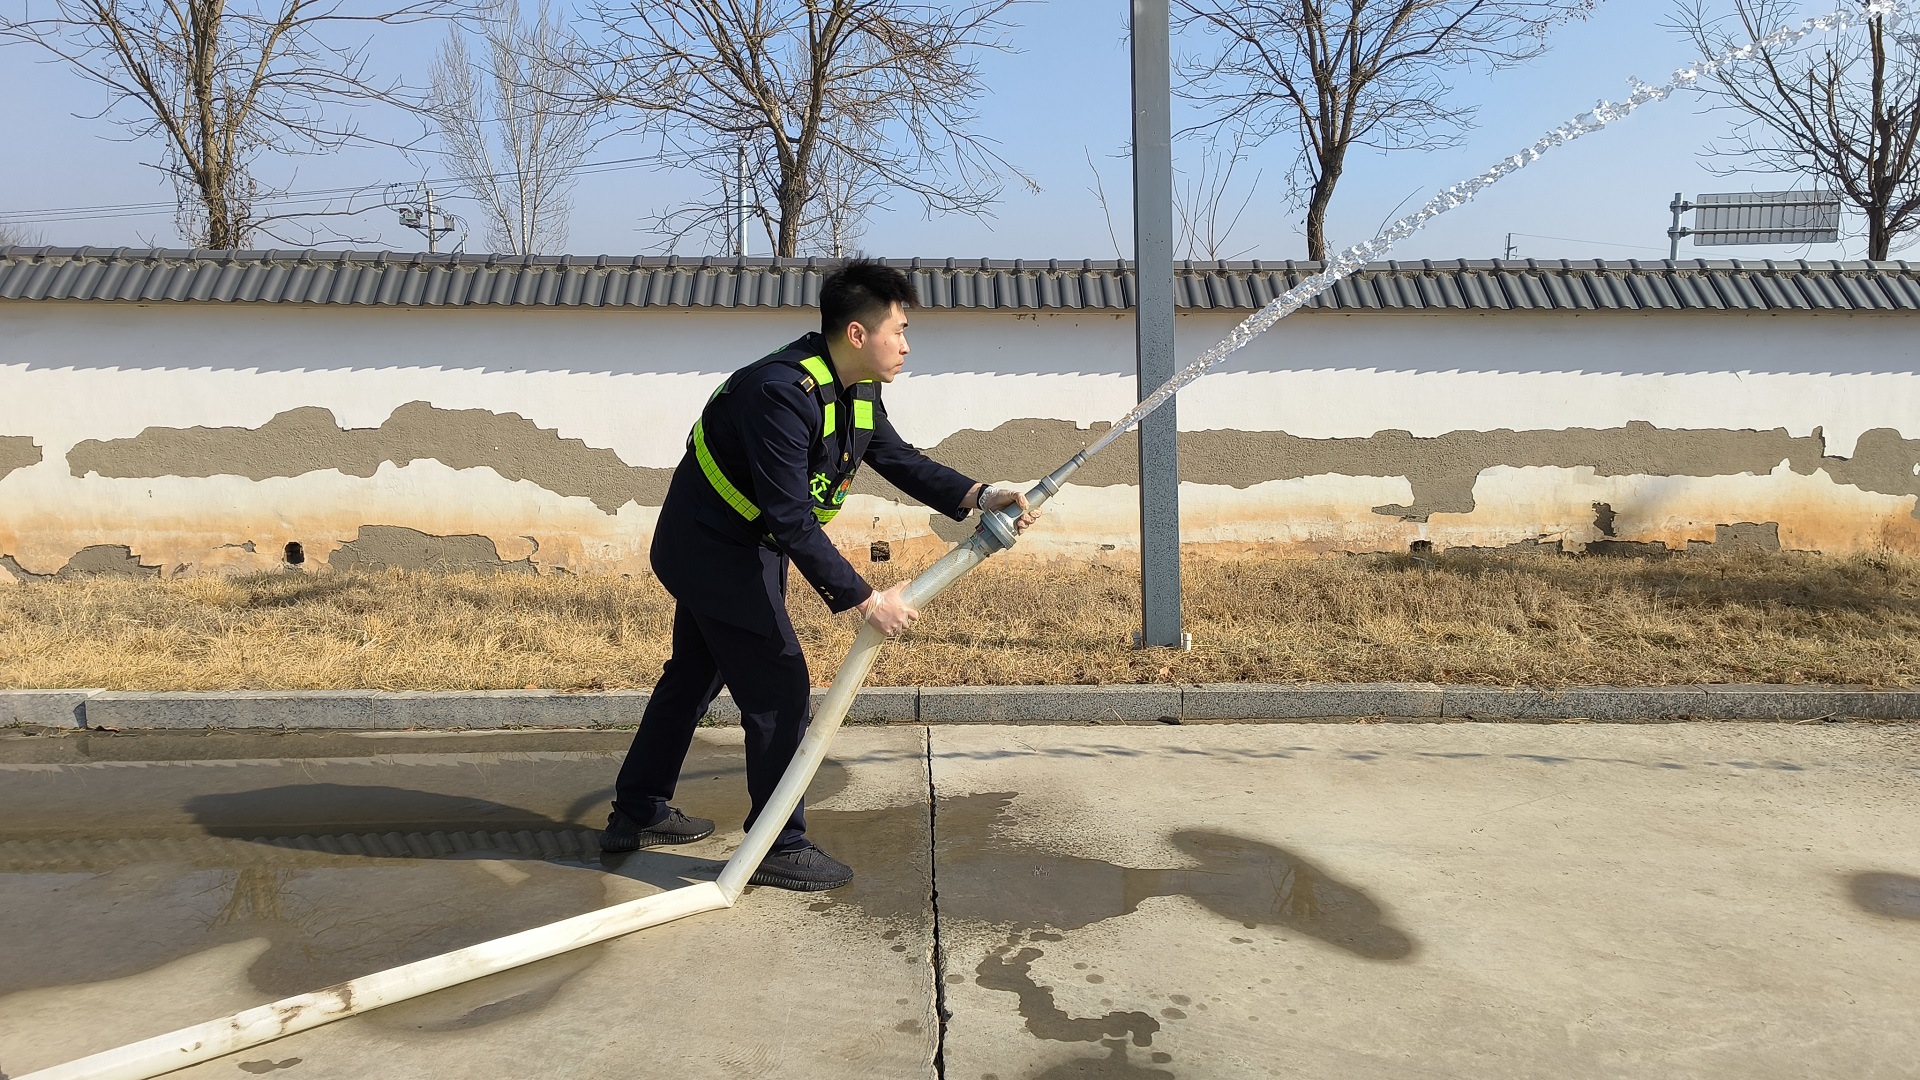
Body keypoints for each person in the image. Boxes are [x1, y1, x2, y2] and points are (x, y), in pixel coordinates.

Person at [601, 258, 1039, 891]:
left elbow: (895, 456)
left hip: (740, 544)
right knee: (780, 686)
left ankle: (638, 809)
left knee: (695, 673)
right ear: (858, 333)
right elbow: (790, 517)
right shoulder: (779, 393)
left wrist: (980, 494)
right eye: (899, 331)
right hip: (711, 547)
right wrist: (866, 599)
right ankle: (778, 844)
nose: (906, 346)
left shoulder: (857, 387)